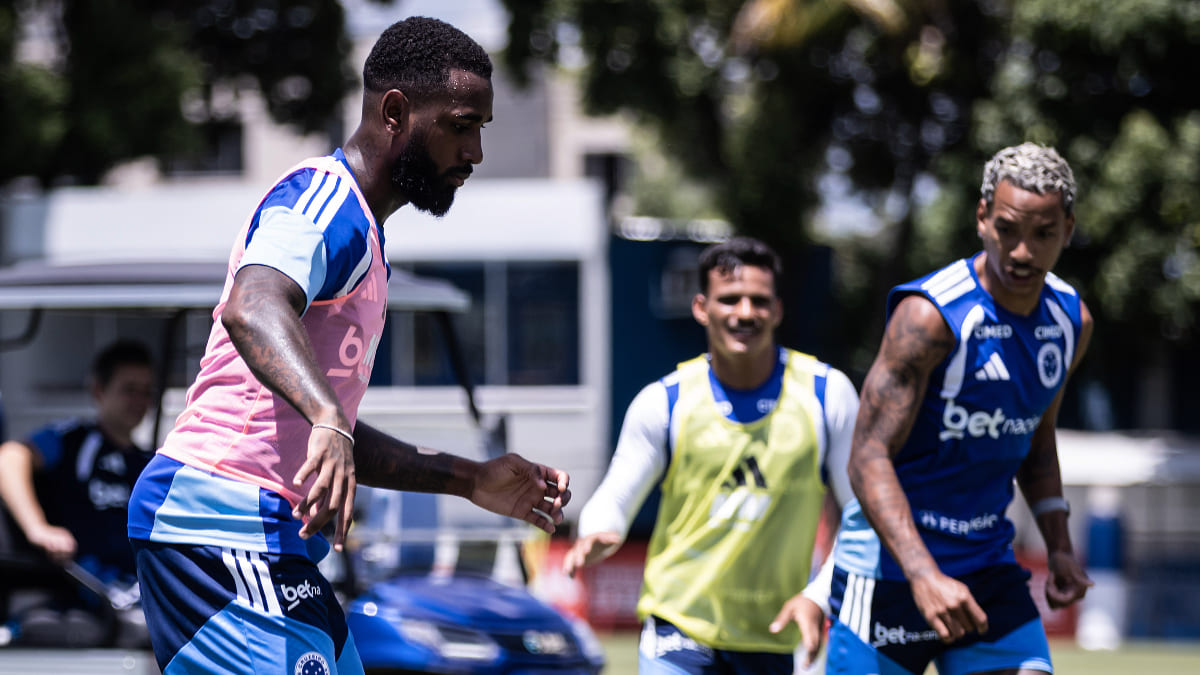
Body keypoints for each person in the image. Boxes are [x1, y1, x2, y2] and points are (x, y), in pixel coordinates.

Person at [126, 17, 570, 675]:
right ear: (396, 111)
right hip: (218, 522)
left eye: (482, 128)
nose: (474, 152)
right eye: (460, 124)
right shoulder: (323, 200)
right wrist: (328, 416)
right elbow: (252, 305)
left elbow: (325, 430)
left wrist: (469, 477)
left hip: (268, 540)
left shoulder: (363, 233)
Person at [787, 143, 1093, 675]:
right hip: (886, 575)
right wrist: (924, 574)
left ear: (1068, 229)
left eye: (1042, 234)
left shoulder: (1071, 322)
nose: (1022, 252)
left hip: (986, 567)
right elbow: (867, 456)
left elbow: (1036, 440)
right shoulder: (929, 317)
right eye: (1007, 229)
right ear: (982, 218)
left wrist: (1059, 545)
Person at [562, 236, 859, 675]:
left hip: (776, 634)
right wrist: (597, 531)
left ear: (777, 311)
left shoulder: (826, 395)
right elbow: (615, 496)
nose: (744, 313)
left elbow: (861, 515)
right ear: (701, 307)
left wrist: (818, 596)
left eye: (758, 301)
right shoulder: (664, 402)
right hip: (679, 627)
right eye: (730, 299)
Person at [0, 340, 154, 641]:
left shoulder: (152, 463)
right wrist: (38, 528)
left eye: (146, 391)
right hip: (81, 597)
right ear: (99, 390)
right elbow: (8, 458)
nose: (139, 400)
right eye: (129, 389)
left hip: (138, 597)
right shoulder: (73, 440)